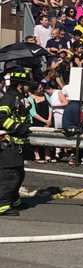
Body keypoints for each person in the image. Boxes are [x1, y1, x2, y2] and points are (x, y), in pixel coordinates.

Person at [0, 69, 33, 216]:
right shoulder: (9, 98)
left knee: (19, 173)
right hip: (8, 144)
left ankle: (14, 200)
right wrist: (18, 128)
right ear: (21, 84)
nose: (29, 87)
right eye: (27, 85)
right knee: (10, 175)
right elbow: (1, 118)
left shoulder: (18, 97)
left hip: (17, 144)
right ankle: (3, 205)